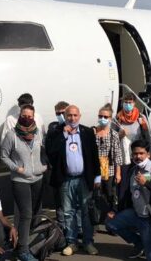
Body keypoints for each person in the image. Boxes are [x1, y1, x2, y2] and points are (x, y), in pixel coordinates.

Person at [46, 104, 101, 256]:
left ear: (79, 116)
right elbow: (51, 152)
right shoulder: (56, 132)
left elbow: (94, 155)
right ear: (65, 116)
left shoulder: (87, 132)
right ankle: (72, 242)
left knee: (86, 211)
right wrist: (63, 134)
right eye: (69, 115)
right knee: (68, 213)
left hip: (84, 179)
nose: (72, 118)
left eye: (75, 115)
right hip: (66, 179)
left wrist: (97, 176)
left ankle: (88, 242)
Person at [0, 104, 48, 261]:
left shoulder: (38, 133)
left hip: (38, 178)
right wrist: (16, 168)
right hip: (20, 179)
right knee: (26, 214)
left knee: (36, 212)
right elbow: (4, 156)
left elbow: (44, 150)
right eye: (24, 116)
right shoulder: (12, 135)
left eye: (30, 116)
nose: (27, 119)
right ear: (19, 116)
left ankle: (32, 243)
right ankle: (22, 250)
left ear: (34, 117)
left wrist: (44, 165)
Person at [94, 103, 123, 218]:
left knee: (109, 193)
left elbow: (117, 154)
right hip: (95, 168)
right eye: (100, 116)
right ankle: (96, 217)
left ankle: (110, 216)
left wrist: (118, 173)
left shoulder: (113, 134)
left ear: (110, 118)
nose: (102, 118)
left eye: (105, 117)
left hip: (108, 169)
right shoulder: (93, 132)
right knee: (95, 193)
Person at [45, 100, 70, 230]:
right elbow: (50, 148)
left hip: (73, 172)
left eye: (62, 113)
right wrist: (63, 133)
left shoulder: (77, 128)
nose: (60, 116)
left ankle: (77, 229)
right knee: (60, 203)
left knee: (73, 202)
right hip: (58, 172)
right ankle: (62, 228)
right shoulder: (54, 128)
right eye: (57, 113)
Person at [115, 93, 150, 166]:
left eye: (130, 102)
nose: (128, 104)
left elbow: (147, 136)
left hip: (138, 155)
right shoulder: (118, 118)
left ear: (134, 103)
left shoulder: (140, 117)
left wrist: (148, 152)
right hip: (124, 155)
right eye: (126, 102)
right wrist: (120, 135)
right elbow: (113, 138)